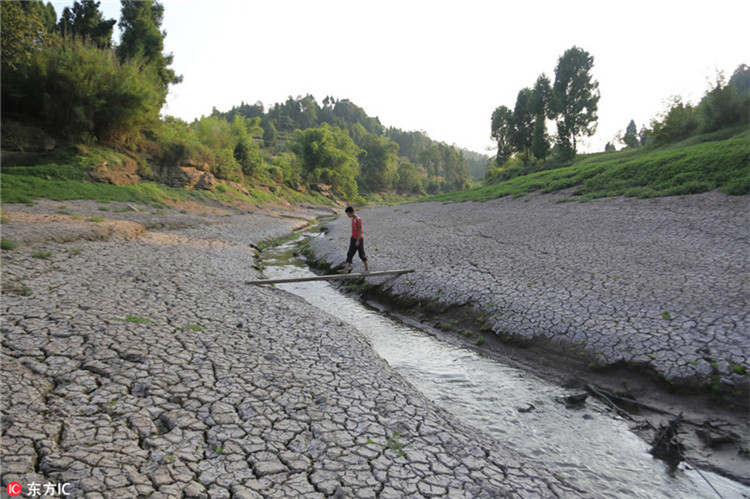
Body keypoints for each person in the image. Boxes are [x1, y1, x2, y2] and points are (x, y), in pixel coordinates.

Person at [341, 206, 370, 274]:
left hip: (358, 239)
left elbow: (360, 230)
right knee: (350, 253)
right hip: (353, 238)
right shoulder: (353, 219)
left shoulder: (357, 219)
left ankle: (367, 269)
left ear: (351, 212)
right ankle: (346, 270)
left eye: (348, 214)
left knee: (361, 254)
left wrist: (357, 240)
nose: (348, 215)